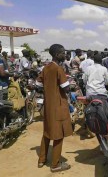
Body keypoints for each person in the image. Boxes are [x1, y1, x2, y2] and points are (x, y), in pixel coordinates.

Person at [36, 44, 72, 172]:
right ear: (57, 55)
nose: (65, 54)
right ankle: (55, 164)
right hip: (58, 105)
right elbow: (66, 88)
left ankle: (41, 160)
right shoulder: (58, 69)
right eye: (63, 52)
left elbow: (38, 83)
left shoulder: (46, 68)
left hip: (48, 106)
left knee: (47, 132)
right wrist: (70, 83)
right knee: (58, 135)